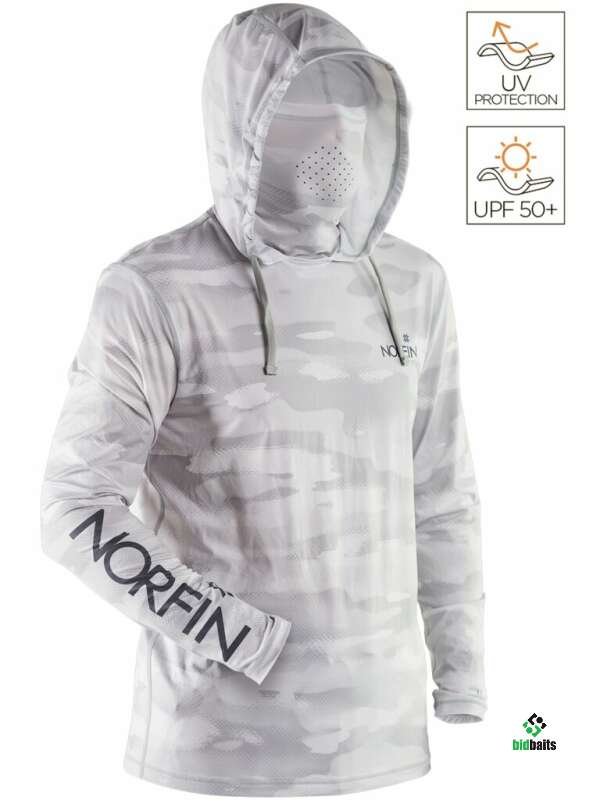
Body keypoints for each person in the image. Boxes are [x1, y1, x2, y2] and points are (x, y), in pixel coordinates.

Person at [40, 3, 487, 796]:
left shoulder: (415, 283)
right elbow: (74, 509)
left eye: (348, 111)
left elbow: (441, 493)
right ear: (242, 128)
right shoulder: (153, 290)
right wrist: (236, 634)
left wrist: (464, 677)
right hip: (213, 749)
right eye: (297, 115)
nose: (333, 141)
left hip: (386, 744)